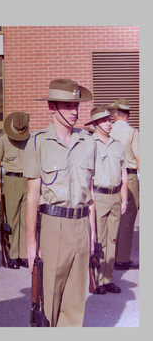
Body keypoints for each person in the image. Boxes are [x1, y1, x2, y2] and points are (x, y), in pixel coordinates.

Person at [23, 78, 96, 327]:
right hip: (53, 226)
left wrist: (92, 236)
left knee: (75, 304)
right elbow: (32, 195)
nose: (74, 112)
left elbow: (91, 195)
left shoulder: (88, 141)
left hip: (81, 226)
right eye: (67, 106)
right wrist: (31, 242)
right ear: (52, 107)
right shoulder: (38, 142)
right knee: (48, 301)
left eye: (76, 105)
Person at [86, 105, 128, 295]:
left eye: (109, 120)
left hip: (115, 197)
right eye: (103, 121)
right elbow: (86, 175)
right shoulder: (89, 144)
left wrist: (124, 198)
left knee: (112, 239)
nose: (108, 124)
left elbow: (124, 172)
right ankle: (96, 279)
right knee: (98, 239)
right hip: (98, 196)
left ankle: (108, 278)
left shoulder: (118, 144)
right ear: (95, 124)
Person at [0, 112, 31, 269]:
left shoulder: (31, 140)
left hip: (28, 180)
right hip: (11, 180)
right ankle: (13, 255)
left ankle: (23, 254)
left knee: (26, 219)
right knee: (13, 219)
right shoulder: (3, 141)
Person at [108, 99, 140, 270]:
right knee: (127, 218)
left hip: (111, 178)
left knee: (114, 216)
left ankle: (110, 255)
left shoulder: (107, 130)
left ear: (114, 115)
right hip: (130, 176)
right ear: (128, 114)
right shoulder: (133, 132)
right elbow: (139, 158)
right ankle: (123, 258)